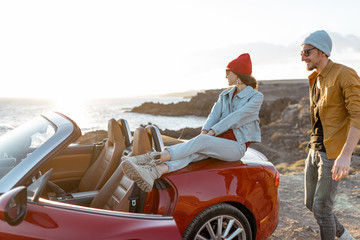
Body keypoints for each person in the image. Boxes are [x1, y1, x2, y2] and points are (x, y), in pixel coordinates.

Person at [121, 53, 264, 193]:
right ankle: (155, 172)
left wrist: (211, 133)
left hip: (235, 147)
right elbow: (213, 115)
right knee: (192, 153)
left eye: (228, 72)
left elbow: (237, 117)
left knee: (200, 142)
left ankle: (147, 159)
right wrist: (205, 131)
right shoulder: (225, 95)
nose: (226, 76)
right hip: (217, 141)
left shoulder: (256, 97)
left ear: (237, 74)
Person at [301, 30, 360, 240]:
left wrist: (346, 155)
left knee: (322, 208)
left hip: (333, 153)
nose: (303, 57)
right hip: (314, 149)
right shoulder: (315, 78)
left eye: (307, 52)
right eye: (302, 52)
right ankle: (344, 235)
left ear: (322, 51)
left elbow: (357, 116)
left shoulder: (345, 73)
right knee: (311, 203)